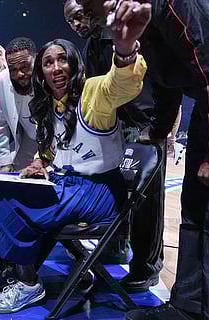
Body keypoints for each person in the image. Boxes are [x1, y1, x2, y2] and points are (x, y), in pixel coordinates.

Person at [0, 2, 150, 312]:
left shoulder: (93, 93)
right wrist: (40, 161)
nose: (55, 68)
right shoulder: (48, 105)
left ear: (74, 64)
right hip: (67, 184)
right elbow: (52, 150)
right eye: (48, 63)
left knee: (12, 203)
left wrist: (125, 48)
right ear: (43, 71)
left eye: (62, 60)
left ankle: (27, 284)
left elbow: (119, 85)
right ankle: (13, 267)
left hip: (99, 189)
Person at [77, 0, 209, 319]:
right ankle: (187, 308)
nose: (91, 16)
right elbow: (167, 78)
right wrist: (158, 130)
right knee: (195, 202)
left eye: (90, 6)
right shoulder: (138, 16)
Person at [64, 0, 165, 286]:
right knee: (116, 191)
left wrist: (159, 126)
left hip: (146, 127)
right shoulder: (93, 45)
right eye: (71, 21)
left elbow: (162, 81)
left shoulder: (133, 32)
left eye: (80, 16)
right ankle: (115, 247)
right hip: (116, 128)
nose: (77, 24)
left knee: (148, 201)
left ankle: (147, 268)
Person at [0, 37, 38, 172]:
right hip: (27, 140)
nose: (19, 74)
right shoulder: (2, 80)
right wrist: (5, 162)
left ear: (36, 61)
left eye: (25, 67)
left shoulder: (48, 76)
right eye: (13, 69)